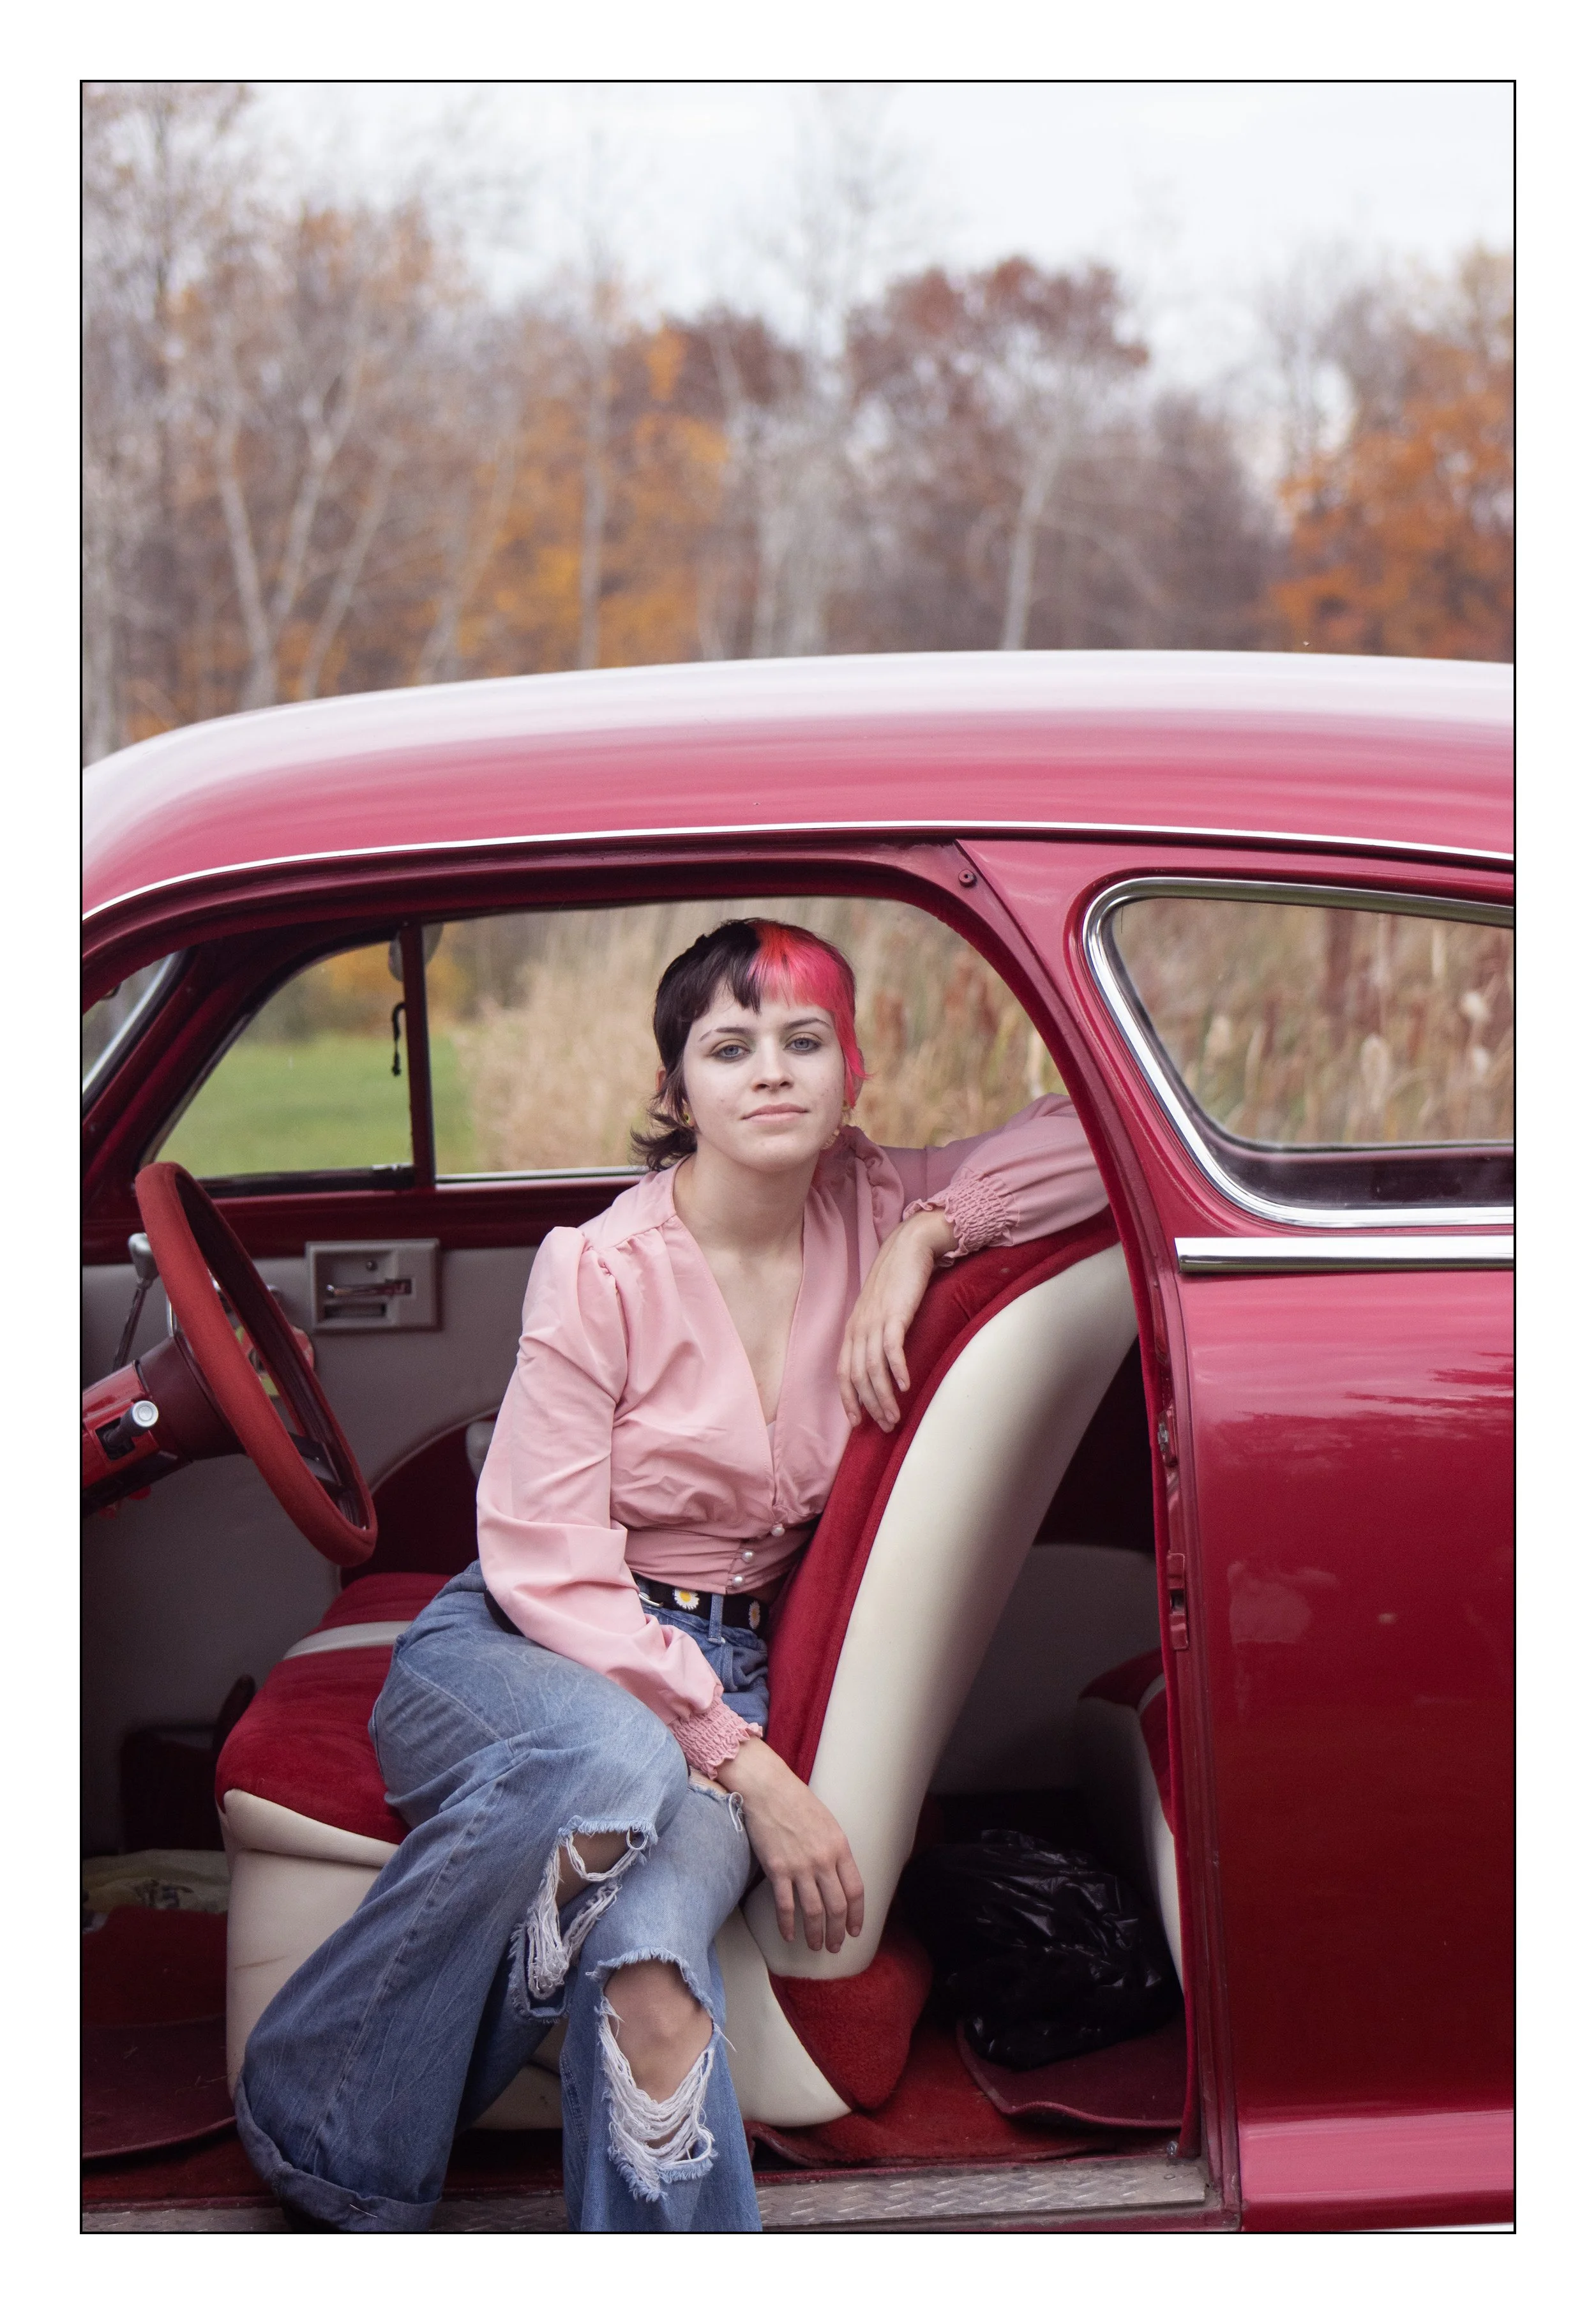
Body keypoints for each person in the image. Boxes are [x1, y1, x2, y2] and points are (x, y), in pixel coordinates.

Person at [235, 918, 1109, 2231]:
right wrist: (745, 1765)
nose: (771, 1071)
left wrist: (927, 1235)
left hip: (720, 1663)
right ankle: (325, 2124)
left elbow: (1109, 1140)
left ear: (848, 1075)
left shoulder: (875, 1202)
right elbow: (541, 1560)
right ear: (673, 1091)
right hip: (525, 1650)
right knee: (614, 1766)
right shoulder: (595, 1270)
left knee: (644, 1966)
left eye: (804, 1042)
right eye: (729, 1046)